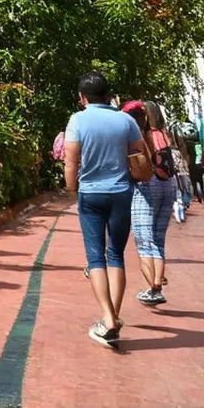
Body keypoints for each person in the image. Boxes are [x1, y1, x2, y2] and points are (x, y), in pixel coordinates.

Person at [63, 72, 146, 347]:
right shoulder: (124, 120)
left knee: (96, 258)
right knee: (116, 255)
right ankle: (115, 316)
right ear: (108, 95)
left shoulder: (78, 120)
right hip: (122, 193)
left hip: (91, 194)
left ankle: (108, 319)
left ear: (82, 97)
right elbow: (140, 153)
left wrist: (71, 188)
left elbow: (71, 160)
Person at [123, 101, 176, 306]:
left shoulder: (137, 137)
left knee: (144, 239)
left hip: (148, 186)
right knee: (158, 237)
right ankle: (157, 284)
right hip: (169, 184)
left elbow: (137, 167)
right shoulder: (162, 133)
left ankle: (153, 288)